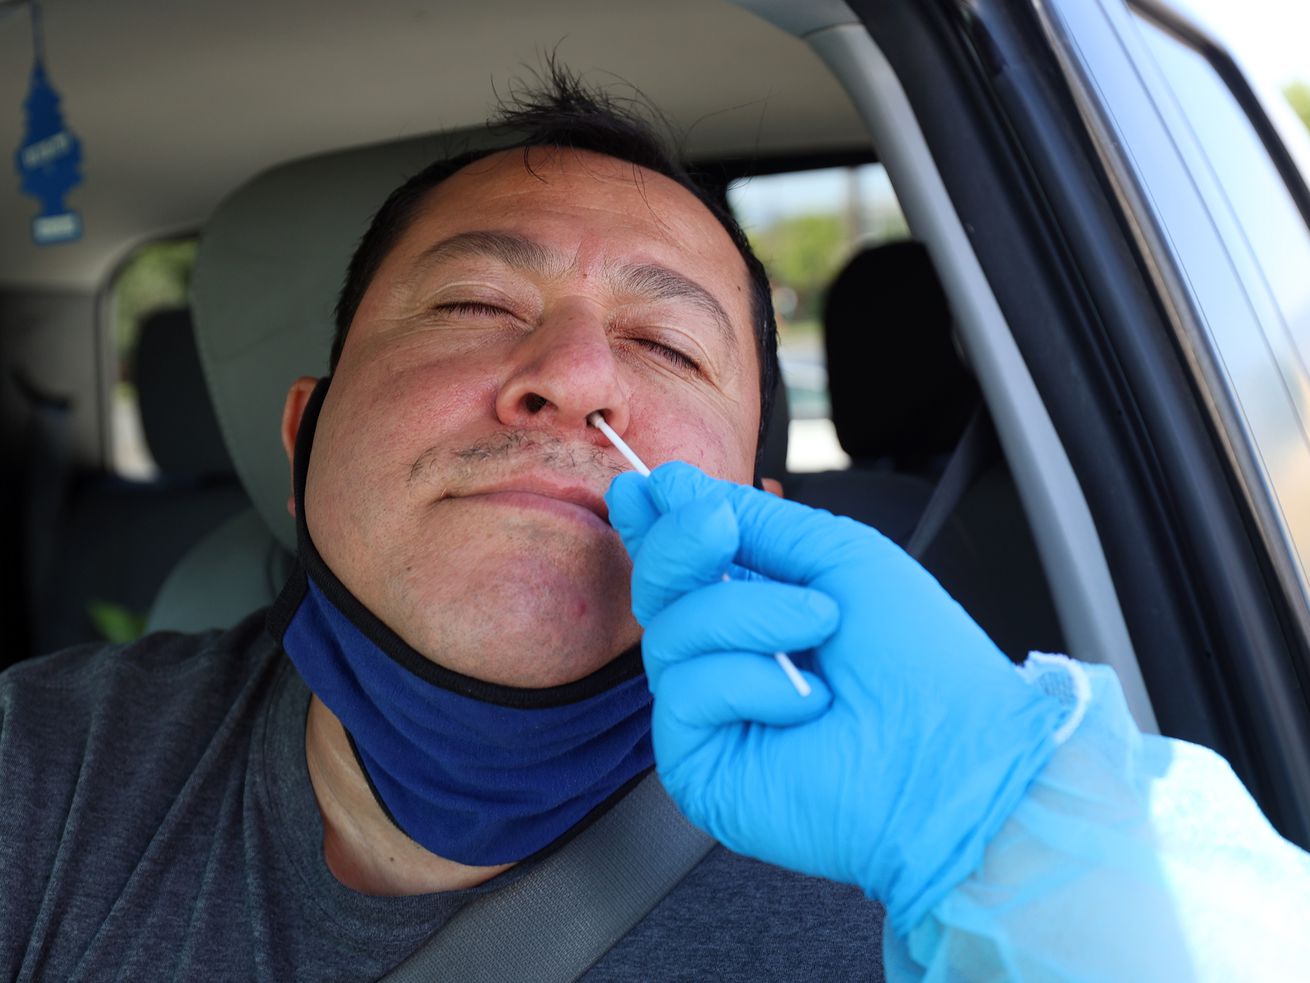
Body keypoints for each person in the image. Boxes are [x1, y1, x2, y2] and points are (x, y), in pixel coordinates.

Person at [3, 65, 1308, 982]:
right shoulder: (43, 767)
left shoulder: (933, 891)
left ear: (755, 508)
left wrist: (1013, 838)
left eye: (667, 343)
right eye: (470, 306)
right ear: (301, 441)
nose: (570, 375)